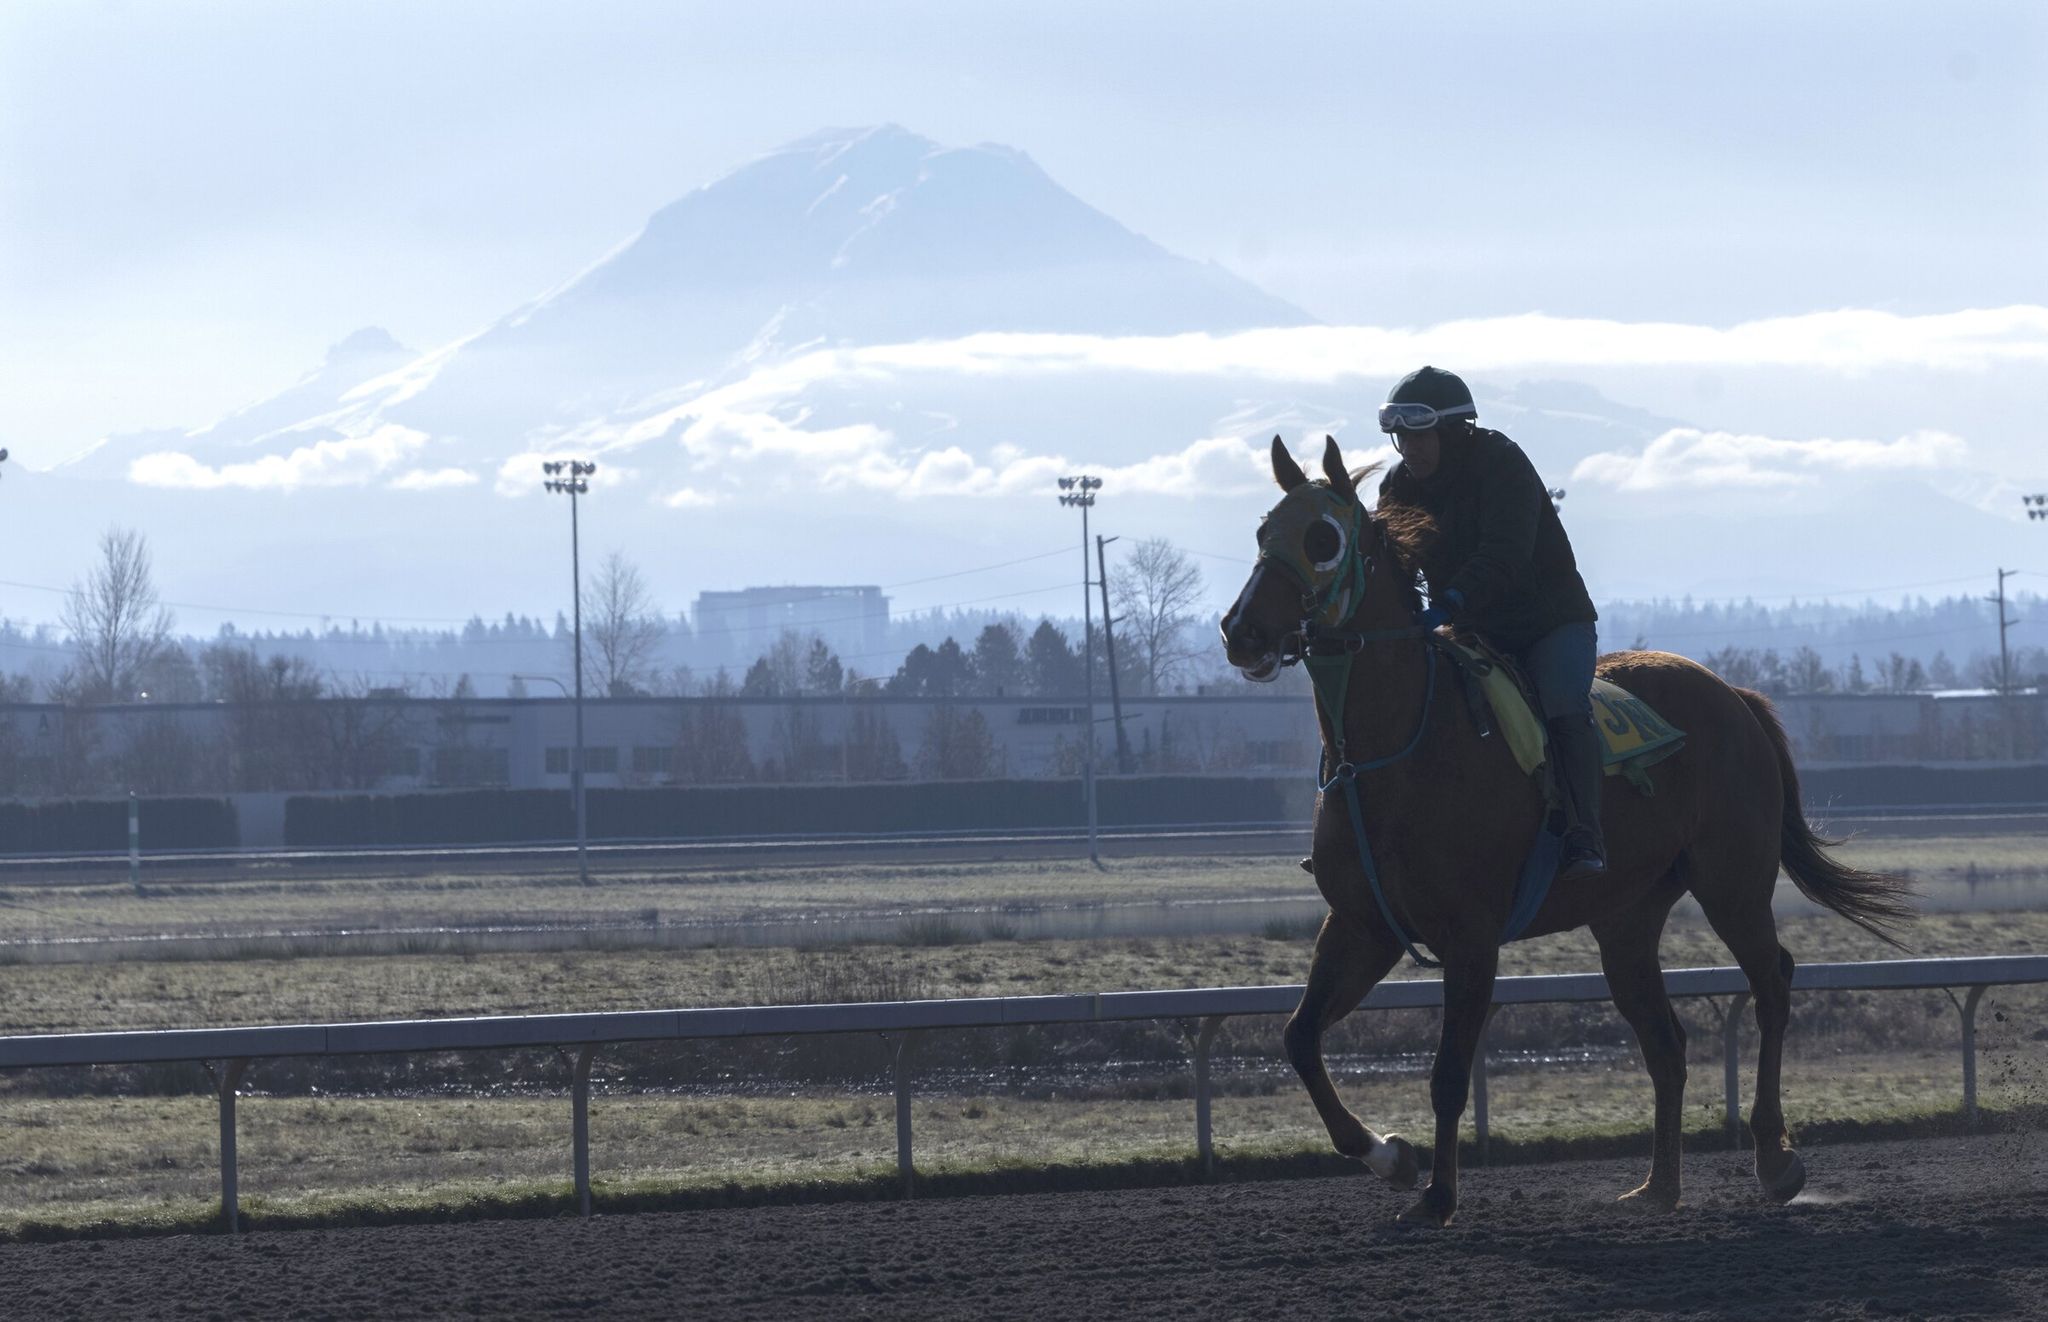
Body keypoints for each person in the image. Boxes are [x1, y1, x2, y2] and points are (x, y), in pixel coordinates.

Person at [1375, 366, 1606, 877]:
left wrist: (1449, 602)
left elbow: (1506, 554)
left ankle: (1584, 832)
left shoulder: (1504, 465)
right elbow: (1392, 564)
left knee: (1563, 706)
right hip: (1467, 630)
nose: (1408, 449)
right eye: (1401, 438)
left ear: (1455, 432)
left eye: (1418, 436)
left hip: (1548, 626)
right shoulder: (1398, 487)